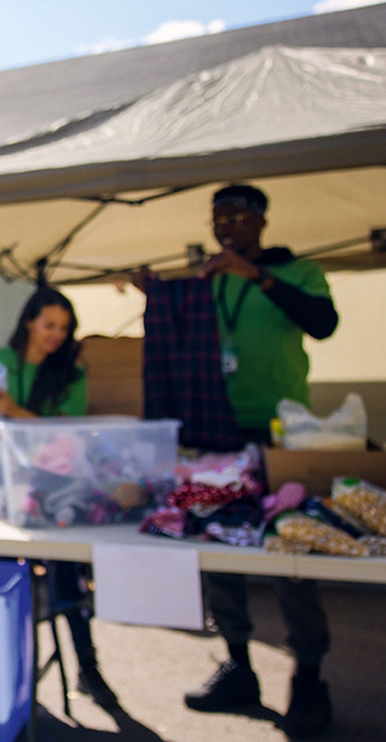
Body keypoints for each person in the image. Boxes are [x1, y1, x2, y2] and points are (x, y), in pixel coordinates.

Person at [173, 184, 338, 738]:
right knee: (219, 547)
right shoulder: (208, 277)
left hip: (281, 431)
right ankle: (238, 664)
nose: (228, 226)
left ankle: (309, 675)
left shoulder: (299, 272)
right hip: (217, 429)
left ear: (262, 222)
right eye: (219, 217)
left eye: (239, 216)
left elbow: (323, 323)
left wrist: (256, 277)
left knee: (290, 550)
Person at [0, 286, 118, 708]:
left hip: (53, 498)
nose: (56, 335)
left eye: (64, 327)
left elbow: (68, 437)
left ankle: (88, 670)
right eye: (49, 325)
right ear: (29, 321)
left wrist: (14, 412)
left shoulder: (72, 375)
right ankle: (0, 673)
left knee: (68, 589)